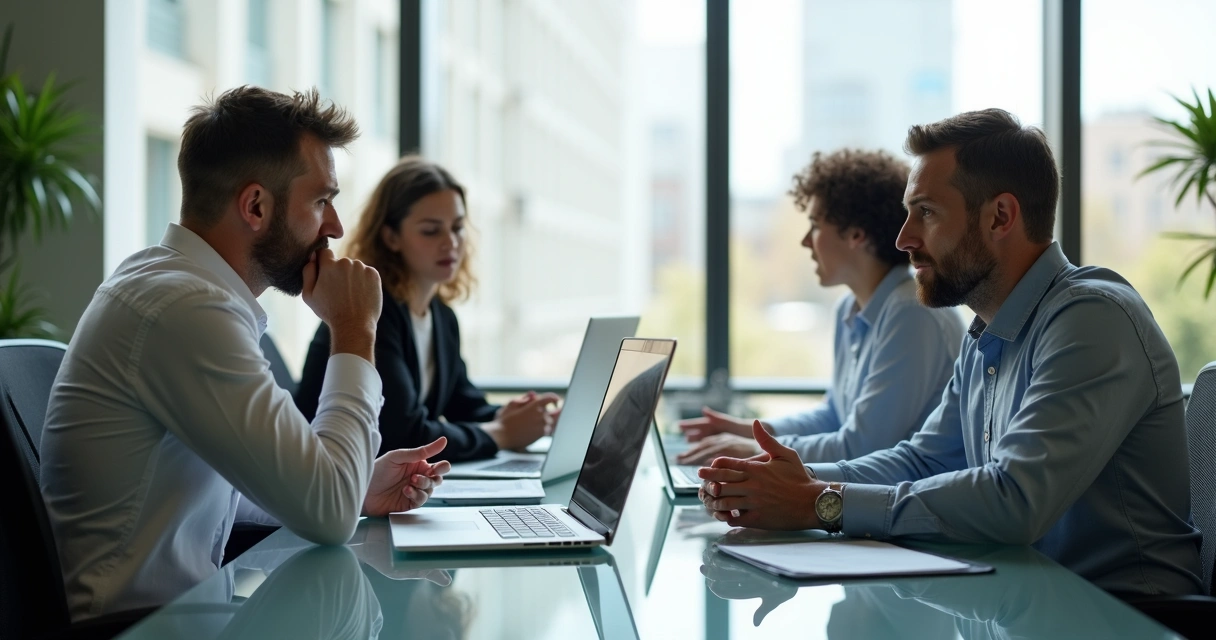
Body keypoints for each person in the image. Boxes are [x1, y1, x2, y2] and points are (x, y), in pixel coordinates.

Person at [698, 108, 1203, 596]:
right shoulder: (987, 331)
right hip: (1020, 601)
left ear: (1000, 217)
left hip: (1121, 616)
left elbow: (1015, 499)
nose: (903, 239)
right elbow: (923, 461)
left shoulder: (1092, 319)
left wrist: (821, 503)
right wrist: (786, 483)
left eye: (926, 213)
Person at [39, 86, 450, 622]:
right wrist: (354, 329)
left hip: (190, 617)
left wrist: (358, 485)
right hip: (144, 628)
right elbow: (325, 513)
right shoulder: (183, 309)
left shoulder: (177, 288)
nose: (336, 228)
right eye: (322, 201)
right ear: (256, 205)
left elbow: (247, 478)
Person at [677, 149, 965, 465]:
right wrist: (752, 431)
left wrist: (754, 449)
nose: (805, 241)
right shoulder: (850, 309)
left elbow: (862, 446)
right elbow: (834, 415)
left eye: (815, 225)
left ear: (856, 234)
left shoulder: (911, 311)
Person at [295, 156, 558, 462]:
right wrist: (503, 432)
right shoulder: (368, 312)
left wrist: (527, 417)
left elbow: (465, 405)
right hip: (324, 478)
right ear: (391, 237)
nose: (451, 243)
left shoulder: (442, 317)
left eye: (458, 228)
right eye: (431, 231)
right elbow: (404, 435)